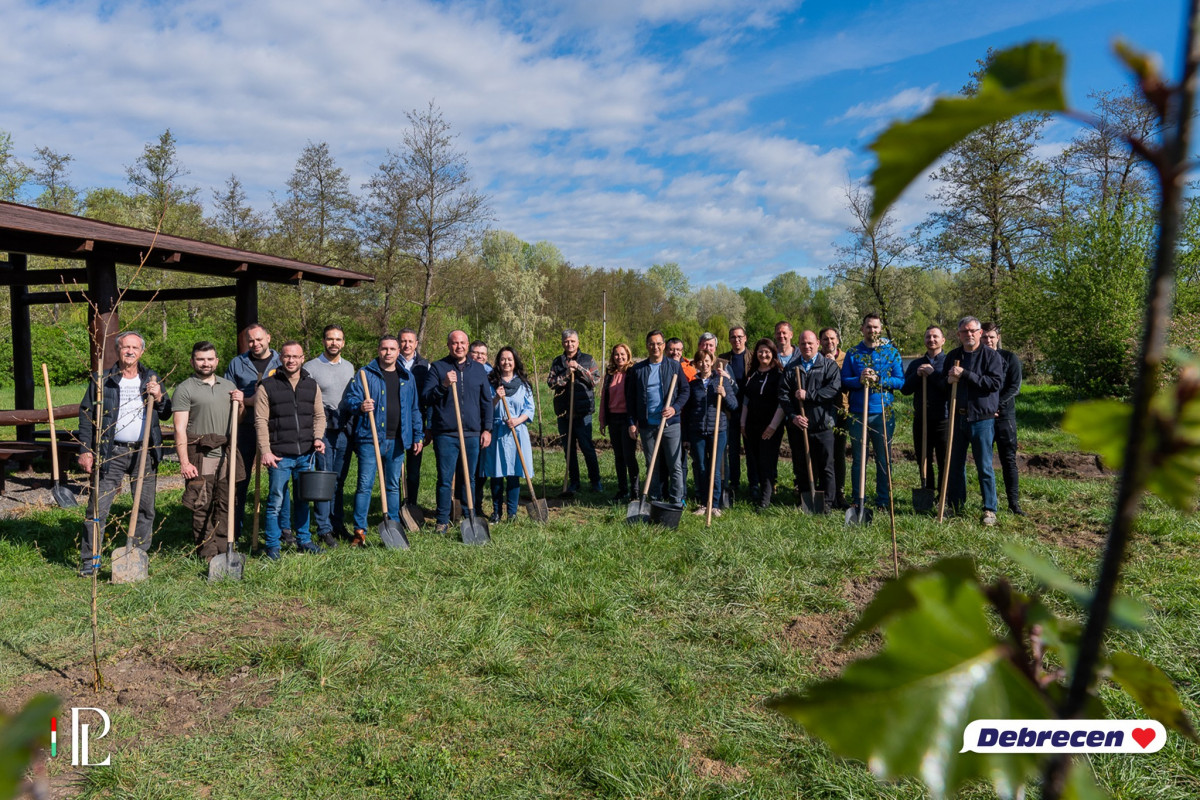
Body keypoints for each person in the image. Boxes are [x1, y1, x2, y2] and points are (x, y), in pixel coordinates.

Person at [76, 331, 171, 576]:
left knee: (145, 507)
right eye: (125, 347)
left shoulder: (150, 378)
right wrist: (86, 450)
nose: (130, 351)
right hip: (112, 451)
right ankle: (91, 560)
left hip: (144, 451)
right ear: (118, 350)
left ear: (142, 352)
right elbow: (87, 416)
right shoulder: (103, 379)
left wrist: (158, 395)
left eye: (134, 347)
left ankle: (138, 556)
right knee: (98, 508)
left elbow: (166, 411)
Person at [344, 335, 424, 545]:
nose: (388, 353)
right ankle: (360, 531)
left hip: (397, 439)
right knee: (365, 485)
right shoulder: (365, 374)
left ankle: (394, 525)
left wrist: (417, 434)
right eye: (384, 349)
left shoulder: (407, 377)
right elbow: (350, 400)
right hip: (371, 439)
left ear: (399, 352)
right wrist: (360, 406)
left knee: (393, 485)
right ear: (378, 350)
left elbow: (414, 409)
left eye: (392, 349)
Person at [254, 341, 327, 559]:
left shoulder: (311, 385)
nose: (291, 360)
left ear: (303, 358)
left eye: (296, 356)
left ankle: (304, 540)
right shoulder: (267, 386)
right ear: (280, 359)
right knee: (276, 501)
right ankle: (273, 544)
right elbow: (260, 421)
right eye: (287, 356)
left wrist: (318, 438)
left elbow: (319, 416)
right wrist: (265, 450)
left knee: (304, 499)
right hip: (279, 455)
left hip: (306, 454)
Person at [173, 342, 245, 562]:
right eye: (201, 359)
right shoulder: (185, 388)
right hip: (201, 456)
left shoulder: (228, 386)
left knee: (225, 505)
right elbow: (179, 429)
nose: (206, 363)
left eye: (210, 359)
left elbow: (236, 422)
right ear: (193, 361)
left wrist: (240, 405)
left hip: (226, 456)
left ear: (217, 361)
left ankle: (224, 550)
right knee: (201, 505)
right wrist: (184, 462)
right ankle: (207, 552)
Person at [422, 330, 494, 534]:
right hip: (446, 434)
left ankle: (469, 515)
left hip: (472, 433)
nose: (459, 346)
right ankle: (442, 520)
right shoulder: (438, 368)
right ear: (448, 345)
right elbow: (426, 397)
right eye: (455, 343)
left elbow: (486, 402)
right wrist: (444, 385)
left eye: (462, 343)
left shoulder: (479, 369)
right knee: (445, 478)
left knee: (469, 477)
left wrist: (487, 429)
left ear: (468, 345)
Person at [942, 316, 1005, 525]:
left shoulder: (991, 357)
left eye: (972, 331)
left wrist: (966, 374)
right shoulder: (952, 356)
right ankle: (956, 505)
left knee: (984, 465)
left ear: (979, 333)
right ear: (958, 334)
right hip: (957, 417)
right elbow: (943, 384)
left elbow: (994, 383)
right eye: (964, 331)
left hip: (982, 419)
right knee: (955, 465)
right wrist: (948, 380)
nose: (968, 334)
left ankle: (989, 509)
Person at [841, 314, 905, 511]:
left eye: (876, 327)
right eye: (868, 327)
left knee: (883, 459)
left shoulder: (891, 353)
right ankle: (857, 499)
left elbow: (900, 381)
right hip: (859, 414)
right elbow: (844, 380)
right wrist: (858, 379)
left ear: (881, 329)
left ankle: (883, 501)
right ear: (862, 329)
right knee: (859, 459)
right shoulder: (853, 353)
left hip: (882, 414)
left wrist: (879, 379)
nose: (872, 331)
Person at [224, 324, 282, 540]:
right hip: (245, 428)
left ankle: (279, 531)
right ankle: (234, 530)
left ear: (268, 337)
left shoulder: (281, 361)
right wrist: (251, 401)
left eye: (259, 339)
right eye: (251, 341)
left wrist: (251, 400)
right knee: (239, 479)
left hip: (276, 428)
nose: (255, 344)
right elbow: (230, 396)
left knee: (279, 481)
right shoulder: (237, 364)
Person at [303, 324, 355, 545]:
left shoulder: (350, 368)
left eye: (338, 339)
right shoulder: (311, 367)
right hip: (322, 429)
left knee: (339, 480)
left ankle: (337, 523)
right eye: (330, 339)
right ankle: (323, 528)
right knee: (324, 477)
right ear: (323, 341)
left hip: (344, 429)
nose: (334, 343)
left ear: (343, 343)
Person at [625, 330, 690, 505]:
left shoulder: (674, 366)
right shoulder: (638, 370)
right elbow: (630, 400)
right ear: (647, 346)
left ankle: (676, 500)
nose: (655, 347)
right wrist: (632, 423)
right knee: (651, 465)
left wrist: (675, 408)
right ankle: (654, 499)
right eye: (652, 344)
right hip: (647, 425)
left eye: (659, 343)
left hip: (670, 424)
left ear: (663, 345)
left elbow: (685, 391)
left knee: (674, 464)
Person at [778, 330, 841, 508]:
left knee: (827, 466)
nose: (807, 346)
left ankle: (827, 503)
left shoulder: (828, 366)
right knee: (803, 466)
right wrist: (793, 416)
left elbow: (833, 390)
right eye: (803, 343)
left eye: (810, 343)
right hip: (801, 426)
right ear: (799, 345)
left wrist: (809, 395)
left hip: (823, 424)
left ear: (818, 345)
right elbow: (783, 395)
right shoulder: (792, 368)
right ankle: (805, 500)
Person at [547, 329, 602, 495]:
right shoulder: (558, 362)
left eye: (572, 341)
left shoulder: (587, 359)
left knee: (587, 448)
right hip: (564, 413)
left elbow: (595, 380)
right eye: (566, 341)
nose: (569, 344)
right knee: (568, 449)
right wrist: (565, 374)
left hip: (582, 413)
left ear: (577, 342)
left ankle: (595, 481)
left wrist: (578, 368)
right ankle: (574, 482)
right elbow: (551, 383)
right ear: (562, 343)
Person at [685, 349, 738, 516]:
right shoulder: (693, 385)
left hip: (718, 430)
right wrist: (687, 436)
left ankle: (714, 504)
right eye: (700, 361)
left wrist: (724, 394)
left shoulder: (721, 381)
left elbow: (734, 406)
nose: (704, 364)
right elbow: (687, 412)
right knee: (701, 466)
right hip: (697, 431)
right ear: (696, 364)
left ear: (712, 361)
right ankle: (702, 503)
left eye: (707, 361)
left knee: (714, 468)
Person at [485, 347, 535, 521]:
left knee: (514, 472)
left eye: (510, 359)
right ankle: (497, 512)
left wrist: (518, 420)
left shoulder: (523, 384)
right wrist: (496, 398)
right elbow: (485, 409)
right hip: (497, 432)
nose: (506, 362)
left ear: (515, 362)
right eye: (503, 359)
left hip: (517, 432)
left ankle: (512, 513)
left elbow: (530, 409)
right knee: (497, 473)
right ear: (498, 362)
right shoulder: (491, 382)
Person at [901, 325, 949, 502]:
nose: (932, 340)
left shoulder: (949, 361)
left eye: (935, 337)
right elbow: (905, 389)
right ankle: (927, 492)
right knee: (924, 458)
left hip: (943, 418)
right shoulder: (915, 364)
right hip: (921, 419)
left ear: (943, 340)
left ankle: (943, 495)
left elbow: (948, 388)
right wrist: (917, 375)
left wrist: (932, 374)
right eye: (928, 337)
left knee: (944, 459)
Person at [982, 322, 1025, 516]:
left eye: (991, 337)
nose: (988, 340)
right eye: (985, 337)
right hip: (983, 416)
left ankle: (1013, 503)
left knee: (1008, 459)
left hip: (1004, 416)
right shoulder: (978, 359)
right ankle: (989, 503)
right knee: (985, 460)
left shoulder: (1009, 358)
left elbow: (1014, 387)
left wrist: (996, 405)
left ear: (997, 338)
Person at [740, 338, 784, 510]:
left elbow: (782, 403)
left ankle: (765, 500)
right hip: (751, 425)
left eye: (767, 351)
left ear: (773, 353)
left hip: (770, 426)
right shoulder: (752, 374)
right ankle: (758, 491)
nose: (763, 354)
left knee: (767, 462)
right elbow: (746, 400)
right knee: (755, 460)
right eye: (760, 351)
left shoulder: (778, 375)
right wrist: (743, 423)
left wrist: (773, 426)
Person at [598, 343, 639, 503]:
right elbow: (603, 398)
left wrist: (635, 422)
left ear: (628, 355)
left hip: (628, 420)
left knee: (629, 456)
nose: (619, 357)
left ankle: (635, 491)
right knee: (618, 456)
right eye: (616, 354)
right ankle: (622, 489)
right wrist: (602, 420)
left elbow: (636, 398)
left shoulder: (632, 373)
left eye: (622, 354)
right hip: (613, 419)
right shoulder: (609, 374)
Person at [398, 328, 431, 508]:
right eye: (403, 341)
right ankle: (395, 505)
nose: (407, 345)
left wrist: (427, 427)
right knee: (395, 468)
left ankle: (411, 504)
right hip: (395, 422)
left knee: (413, 469)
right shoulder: (391, 363)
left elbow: (429, 399)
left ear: (416, 344)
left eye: (410, 341)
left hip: (417, 422)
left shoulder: (425, 366)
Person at [819, 327, 850, 509]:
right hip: (821, 413)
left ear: (837, 340)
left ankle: (839, 492)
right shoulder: (815, 357)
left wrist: (834, 367)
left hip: (841, 412)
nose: (829, 342)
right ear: (820, 342)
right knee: (823, 454)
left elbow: (848, 382)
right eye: (825, 339)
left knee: (838, 454)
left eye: (832, 339)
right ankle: (824, 491)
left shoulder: (847, 358)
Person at [719, 326, 750, 503]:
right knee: (731, 450)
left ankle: (755, 484)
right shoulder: (723, 359)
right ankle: (734, 482)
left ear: (745, 338)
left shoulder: (753, 357)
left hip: (749, 410)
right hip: (729, 411)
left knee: (751, 449)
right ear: (729, 340)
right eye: (733, 337)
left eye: (739, 337)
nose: (736, 340)